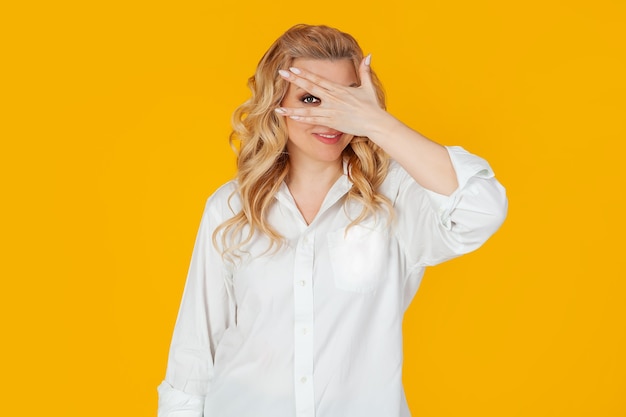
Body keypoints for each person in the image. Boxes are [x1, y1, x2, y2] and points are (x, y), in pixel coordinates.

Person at [157, 24, 507, 417]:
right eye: (310, 98)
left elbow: (482, 208)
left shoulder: (395, 198)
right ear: (276, 103)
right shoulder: (232, 206)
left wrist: (377, 123)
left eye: (345, 100)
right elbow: (194, 353)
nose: (331, 117)